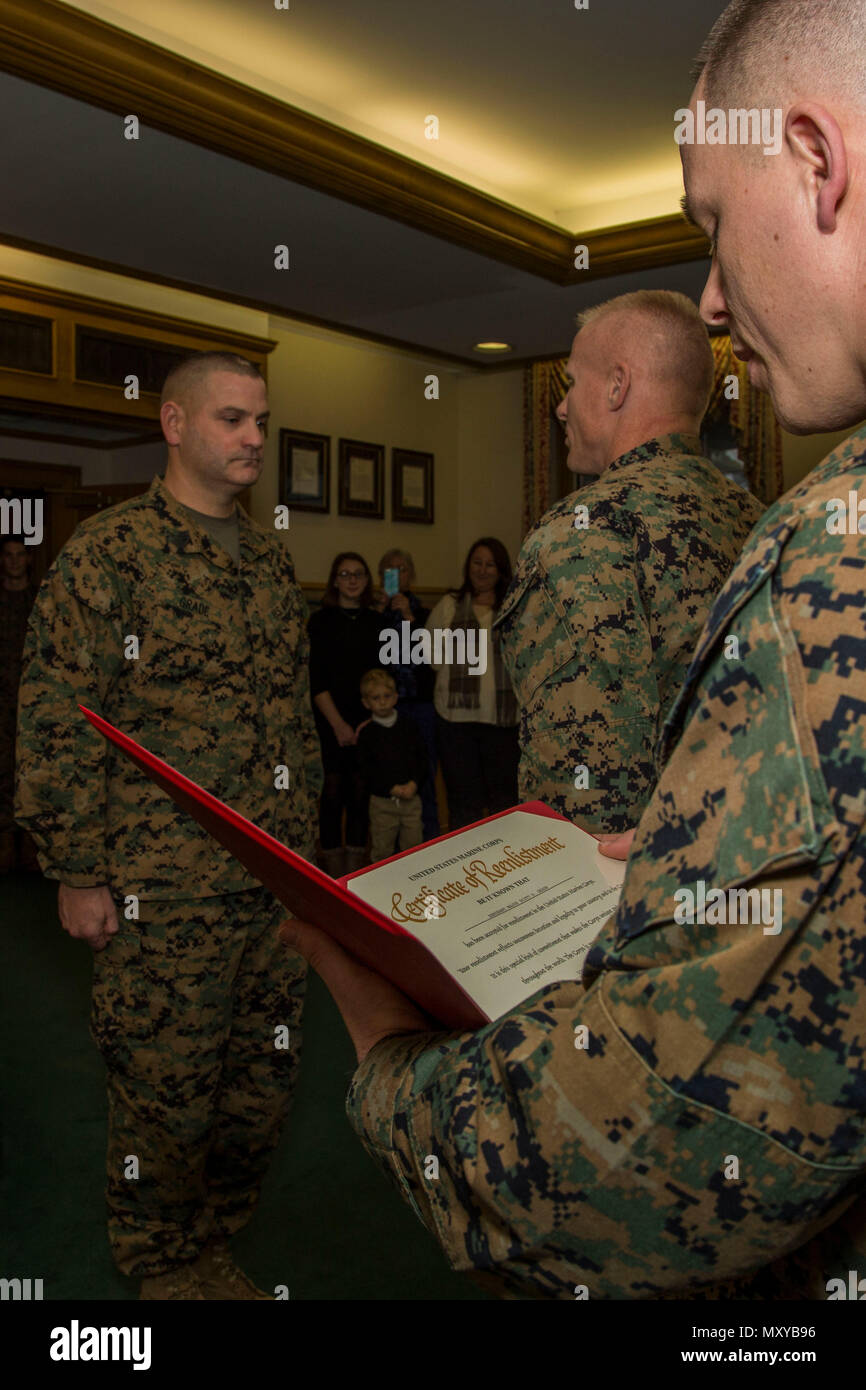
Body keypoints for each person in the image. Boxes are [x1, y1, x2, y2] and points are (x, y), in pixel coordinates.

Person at [281, 0, 866, 1300]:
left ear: (819, 165)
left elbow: (634, 1158)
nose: (716, 291)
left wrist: (389, 1054)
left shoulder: (811, 541)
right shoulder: (756, 509)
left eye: (714, 219)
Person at [15, 351, 322, 1300]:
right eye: (232, 420)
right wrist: (75, 867)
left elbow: (292, 712)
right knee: (164, 1085)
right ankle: (159, 1261)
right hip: (163, 885)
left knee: (258, 1083)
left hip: (273, 880)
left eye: (262, 423)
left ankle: (215, 1234)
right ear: (175, 423)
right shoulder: (108, 556)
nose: (253, 441)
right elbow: (59, 715)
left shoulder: (270, 559)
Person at [496, 290, 764, 834]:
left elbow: (585, 791)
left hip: (629, 896)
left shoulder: (582, 532)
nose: (561, 406)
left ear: (617, 385)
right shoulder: (762, 519)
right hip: (745, 858)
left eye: (572, 381)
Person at [425, 538, 519, 830]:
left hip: (502, 722)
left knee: (504, 802)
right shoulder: (450, 604)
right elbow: (430, 656)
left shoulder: (515, 605)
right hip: (456, 723)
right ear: (468, 567)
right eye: (477, 562)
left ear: (501, 569)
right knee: (463, 802)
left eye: (490, 564)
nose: (482, 569)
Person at [308, 552, 384, 875]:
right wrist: (338, 724)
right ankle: (330, 874)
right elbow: (316, 678)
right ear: (334, 581)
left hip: (368, 720)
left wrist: (371, 719)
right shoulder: (320, 621)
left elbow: (387, 674)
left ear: (367, 581)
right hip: (329, 720)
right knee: (331, 794)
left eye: (358, 574)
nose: (352, 580)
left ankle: (355, 873)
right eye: (344, 574)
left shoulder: (378, 623)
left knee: (360, 794)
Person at [372, 548, 439, 839]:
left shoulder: (426, 615)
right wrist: (378, 614)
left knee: (423, 776)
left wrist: (410, 618)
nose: (396, 575)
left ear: (411, 576)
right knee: (385, 775)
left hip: (421, 706)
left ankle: (430, 839)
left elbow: (431, 660)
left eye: (402, 569)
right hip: (383, 708)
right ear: (380, 577)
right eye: (389, 570)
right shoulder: (372, 616)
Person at [356, 669, 426, 864]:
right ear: (366, 702)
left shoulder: (409, 726)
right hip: (382, 803)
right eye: (375, 697)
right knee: (382, 851)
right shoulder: (367, 734)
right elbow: (366, 771)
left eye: (387, 696)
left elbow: (422, 759)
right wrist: (390, 788)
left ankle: (415, 886)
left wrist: (414, 784)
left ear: (396, 697)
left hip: (411, 799)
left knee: (414, 850)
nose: (382, 701)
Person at [0, 536, 38, 872]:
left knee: (33, 772)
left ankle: (30, 844)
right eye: (8, 555)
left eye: (20, 555)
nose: (14, 561)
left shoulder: (40, 600)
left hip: (34, 703)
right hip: (1, 702)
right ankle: (4, 843)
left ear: (28, 559)